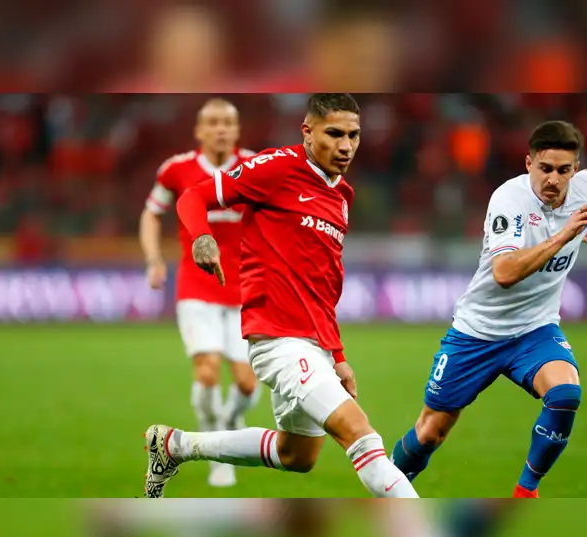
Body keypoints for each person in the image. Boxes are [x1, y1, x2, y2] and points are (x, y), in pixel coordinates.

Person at [143, 93, 418, 499]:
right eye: (334, 134)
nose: (346, 146)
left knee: (297, 455)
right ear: (307, 132)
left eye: (354, 135)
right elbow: (192, 197)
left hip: (315, 344)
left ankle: (174, 446)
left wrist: (338, 356)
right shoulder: (277, 166)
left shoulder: (342, 195)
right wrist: (202, 236)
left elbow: (323, 286)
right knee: (362, 437)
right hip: (278, 341)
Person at [389, 120, 587, 498]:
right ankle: (386, 488)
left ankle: (526, 493)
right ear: (529, 163)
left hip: (535, 329)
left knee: (565, 394)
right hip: (478, 331)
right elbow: (504, 273)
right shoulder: (509, 200)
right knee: (430, 432)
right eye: (545, 168)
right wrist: (565, 235)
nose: (553, 179)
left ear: (576, 169)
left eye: (563, 170)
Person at [138, 97, 259, 488]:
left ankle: (229, 421)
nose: (220, 129)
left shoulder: (255, 167)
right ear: (199, 130)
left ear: (237, 130)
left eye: (228, 122)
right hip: (196, 286)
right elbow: (151, 213)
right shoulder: (176, 170)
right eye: (213, 122)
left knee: (247, 383)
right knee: (206, 371)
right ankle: (215, 452)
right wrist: (154, 258)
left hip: (246, 288)